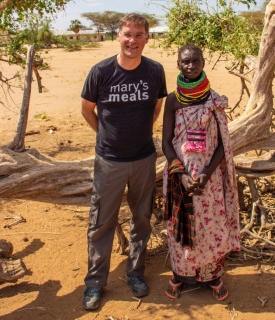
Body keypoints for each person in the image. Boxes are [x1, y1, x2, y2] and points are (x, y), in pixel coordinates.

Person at [80, 13, 167, 311]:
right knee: (101, 221)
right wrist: (106, 136)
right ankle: (94, 283)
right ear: (118, 36)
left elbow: (157, 106)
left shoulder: (155, 71)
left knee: (142, 219)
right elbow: (87, 110)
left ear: (147, 38)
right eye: (128, 34)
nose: (133, 40)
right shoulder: (101, 71)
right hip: (109, 162)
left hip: (144, 158)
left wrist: (139, 134)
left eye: (139, 34)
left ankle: (135, 273)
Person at [162, 44, 240, 301]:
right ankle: (180, 273)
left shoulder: (214, 100)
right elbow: (165, 143)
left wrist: (206, 173)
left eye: (196, 61)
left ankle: (212, 275)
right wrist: (181, 174)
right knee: (181, 226)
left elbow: (222, 145)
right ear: (178, 64)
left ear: (204, 62)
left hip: (210, 177)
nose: (191, 66)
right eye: (185, 61)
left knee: (210, 226)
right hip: (179, 176)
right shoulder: (173, 100)